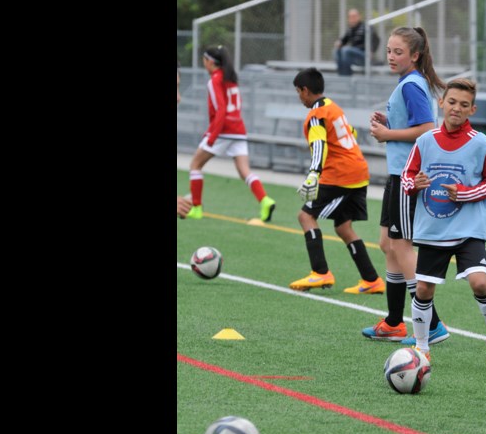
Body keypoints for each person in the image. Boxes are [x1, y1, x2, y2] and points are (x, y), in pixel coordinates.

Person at [401, 78, 486, 368]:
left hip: (468, 229)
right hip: (433, 230)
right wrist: (414, 184)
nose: (456, 108)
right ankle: (422, 347)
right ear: (441, 103)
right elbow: (406, 177)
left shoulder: (481, 143)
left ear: (472, 109)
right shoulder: (424, 141)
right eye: (452, 102)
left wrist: (464, 193)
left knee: (480, 283)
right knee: (424, 290)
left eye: (464, 105)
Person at [362, 26, 450, 346]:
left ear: (415, 55)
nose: (390, 57)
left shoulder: (412, 84)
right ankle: (395, 322)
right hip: (396, 173)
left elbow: (427, 128)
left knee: (401, 245)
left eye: (398, 52)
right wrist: (390, 124)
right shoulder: (407, 83)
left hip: (407, 177)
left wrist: (387, 135)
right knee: (388, 244)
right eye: (388, 51)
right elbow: (412, 125)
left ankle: (433, 324)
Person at [288, 68, 385, 295]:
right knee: (343, 227)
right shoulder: (333, 107)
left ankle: (320, 273)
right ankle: (372, 280)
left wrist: (314, 173)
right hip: (358, 170)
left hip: (341, 175)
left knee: (305, 216)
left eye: (298, 92)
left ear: (305, 90)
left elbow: (320, 143)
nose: (299, 97)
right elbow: (350, 133)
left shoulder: (316, 114)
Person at [186, 45, 276, 223]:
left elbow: (220, 110)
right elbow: (236, 104)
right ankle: (265, 200)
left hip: (223, 130)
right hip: (238, 130)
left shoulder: (214, 80)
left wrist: (212, 136)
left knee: (195, 165)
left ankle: (196, 208)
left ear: (210, 62)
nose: (204, 64)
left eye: (204, 60)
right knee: (245, 171)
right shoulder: (231, 78)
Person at [333, 8, 379, 76]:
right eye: (350, 17)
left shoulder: (366, 27)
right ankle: (342, 75)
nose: (352, 19)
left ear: (359, 16)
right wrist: (339, 43)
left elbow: (376, 40)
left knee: (346, 50)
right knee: (336, 51)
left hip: (364, 55)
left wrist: (371, 51)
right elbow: (343, 40)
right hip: (353, 56)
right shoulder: (350, 29)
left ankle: (347, 77)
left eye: (354, 16)